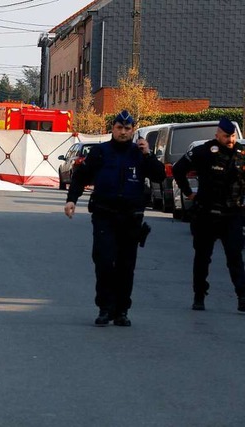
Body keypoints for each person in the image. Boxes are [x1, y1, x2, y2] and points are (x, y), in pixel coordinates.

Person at [64, 110, 166, 327]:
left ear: (132, 130)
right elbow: (81, 176)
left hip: (131, 218)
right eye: (119, 128)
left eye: (127, 129)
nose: (123, 132)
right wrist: (71, 199)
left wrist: (148, 154)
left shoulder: (139, 153)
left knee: (125, 266)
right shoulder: (101, 152)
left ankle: (121, 310)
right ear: (112, 129)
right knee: (103, 262)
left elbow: (159, 176)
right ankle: (104, 308)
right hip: (104, 215)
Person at [172, 118, 245, 312]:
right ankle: (199, 296)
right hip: (207, 213)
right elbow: (178, 169)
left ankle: (242, 296)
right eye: (226, 136)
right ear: (217, 135)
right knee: (203, 257)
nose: (230, 139)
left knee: (235, 256)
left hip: (232, 214)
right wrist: (188, 192)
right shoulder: (204, 152)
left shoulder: (242, 155)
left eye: (232, 136)